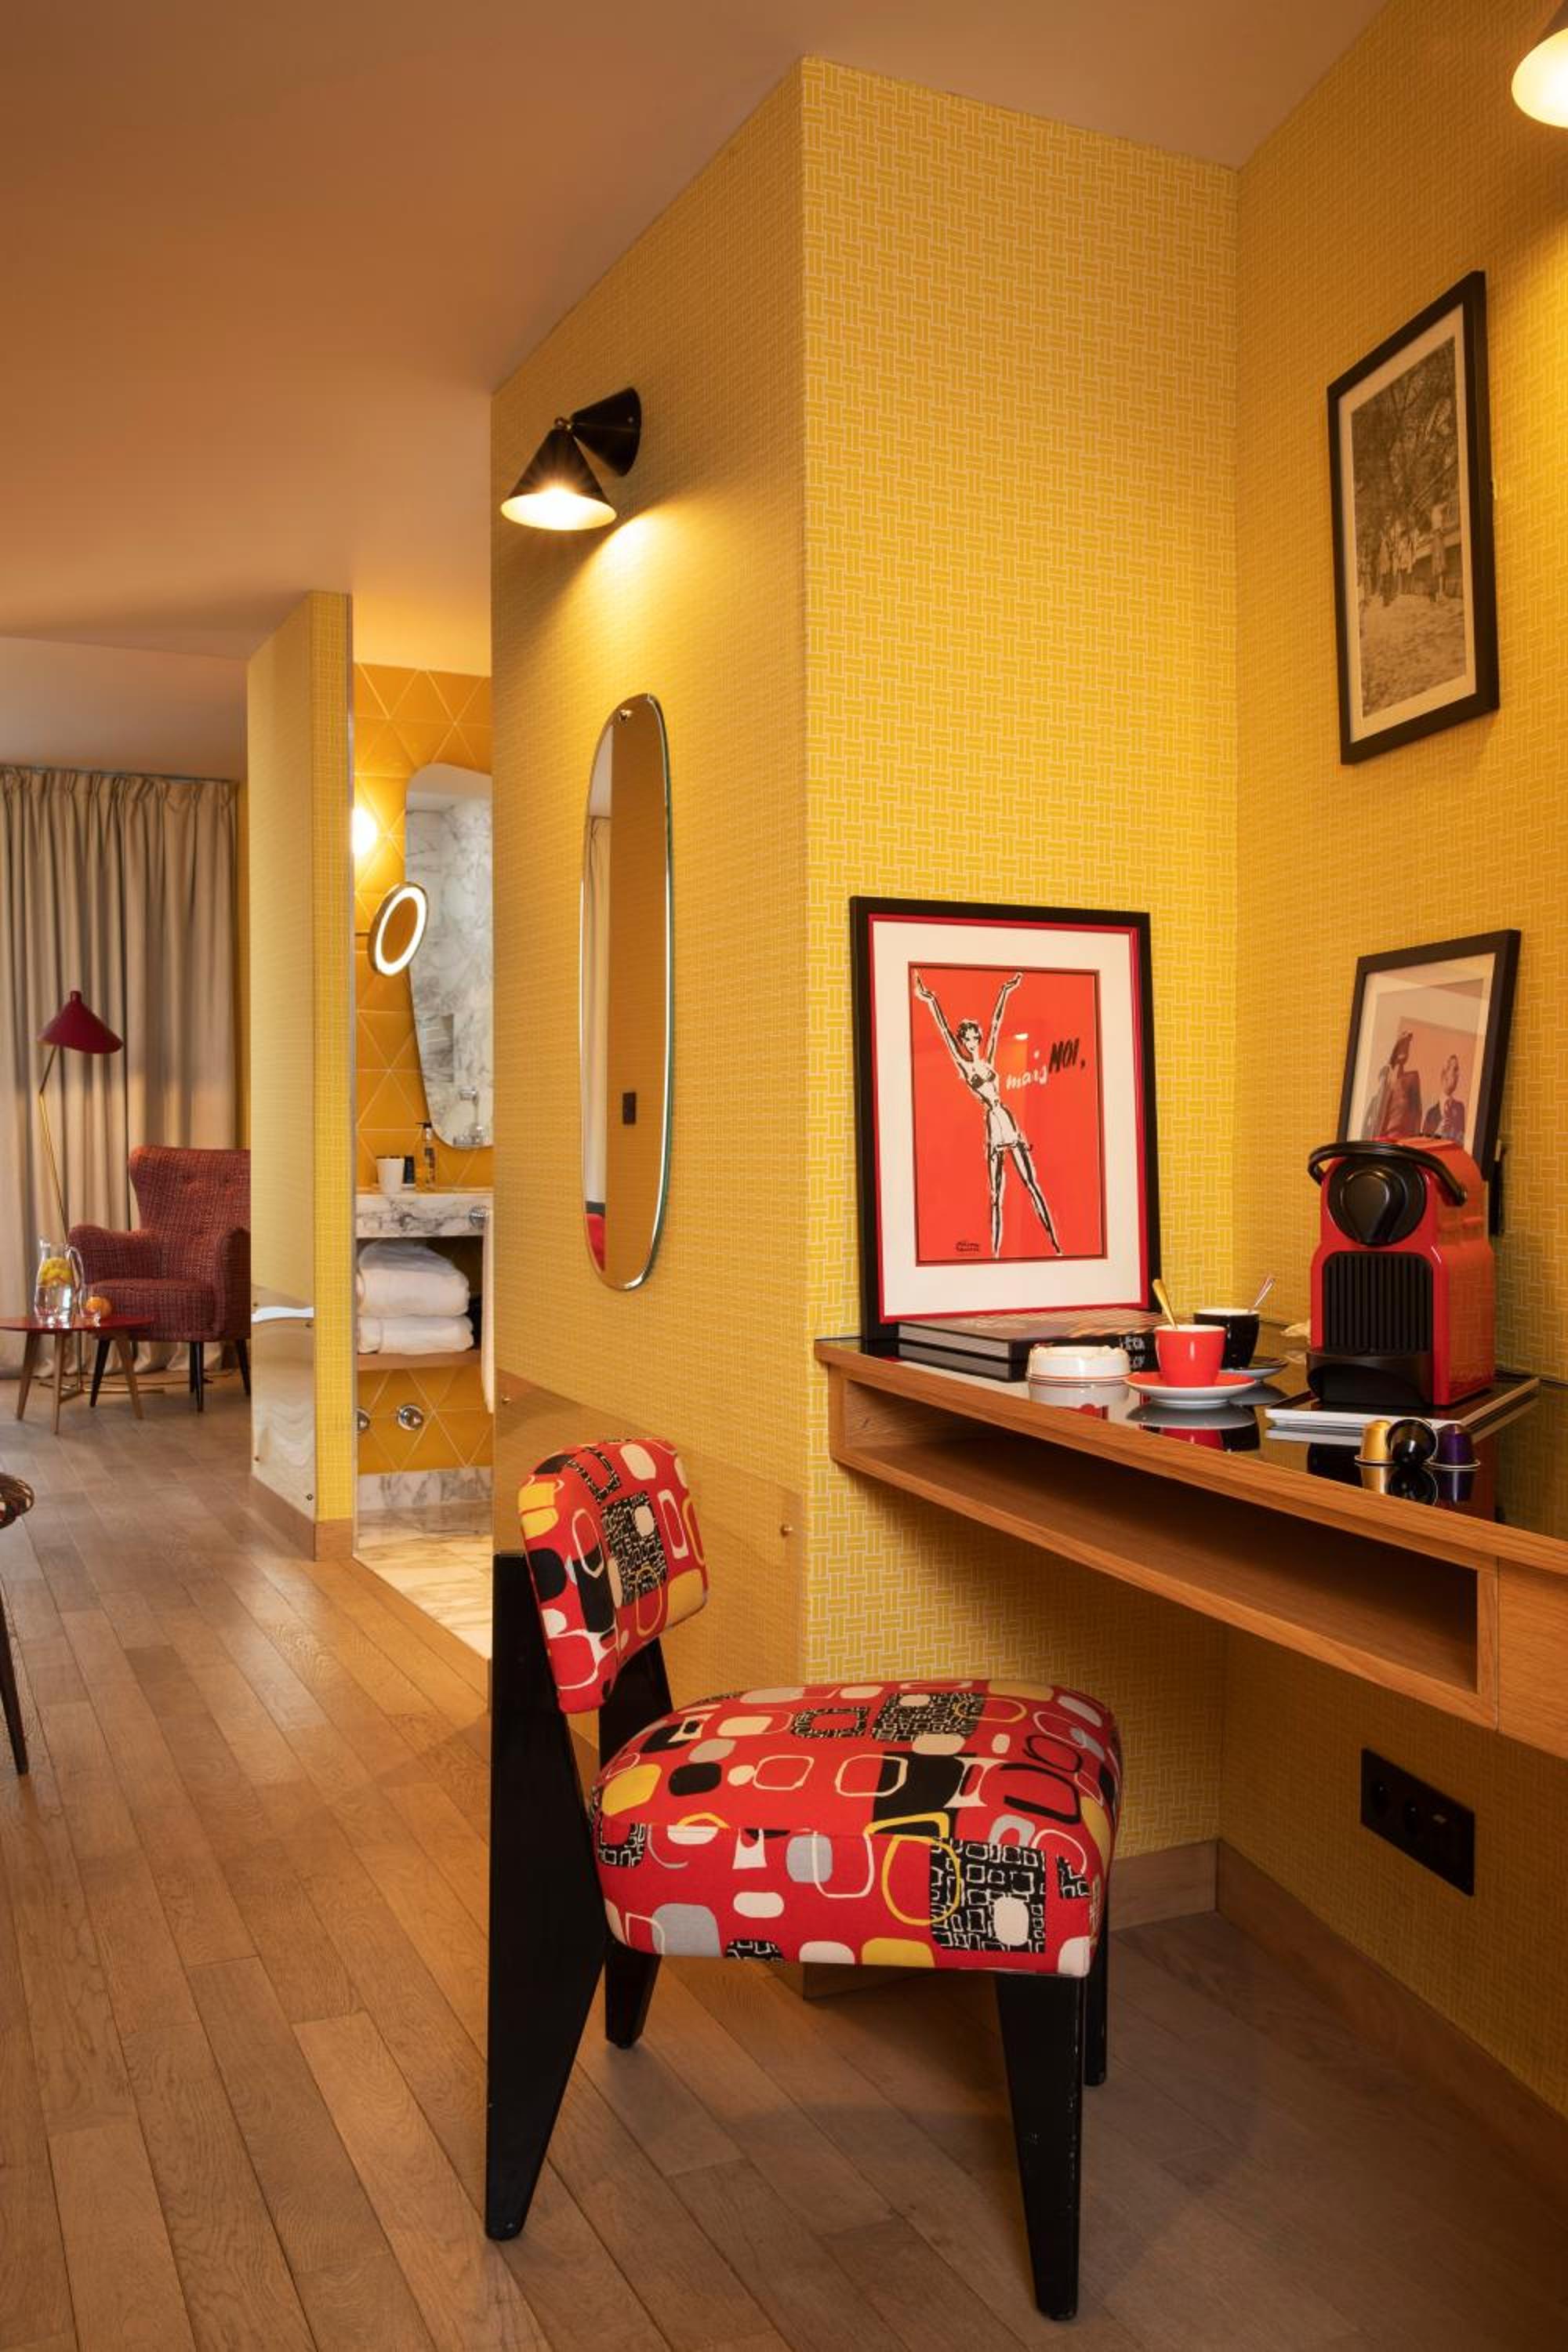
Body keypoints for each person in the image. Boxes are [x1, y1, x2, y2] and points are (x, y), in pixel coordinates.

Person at [913, 970, 1062, 1258]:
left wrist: (1005, 991)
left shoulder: (989, 1058)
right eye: (967, 1039)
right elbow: (944, 1032)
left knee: (1032, 1184)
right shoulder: (964, 1066)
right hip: (993, 1124)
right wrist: (931, 1000)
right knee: (996, 1196)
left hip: (1006, 1118)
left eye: (974, 1037)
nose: (972, 1042)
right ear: (963, 1041)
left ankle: (1055, 1244)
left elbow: (996, 1024)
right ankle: (994, 1254)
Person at [1361, 1030, 1424, 1138]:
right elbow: (1369, 1125)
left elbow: (1417, 1113)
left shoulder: (1411, 1079)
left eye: (1407, 1047)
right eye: (1402, 1046)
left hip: (1402, 1139)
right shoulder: (1380, 1095)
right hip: (1383, 1140)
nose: (1405, 1050)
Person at [1422, 1053, 1467, 1145]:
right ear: (1445, 1075)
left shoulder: (1460, 1108)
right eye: (1455, 1070)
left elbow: (1461, 1142)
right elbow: (1423, 1144)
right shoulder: (1430, 1113)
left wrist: (1452, 1133)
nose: (1458, 1075)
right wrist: (1438, 1132)